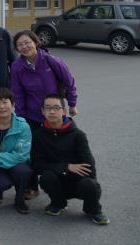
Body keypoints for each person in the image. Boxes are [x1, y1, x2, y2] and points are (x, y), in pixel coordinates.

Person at [32, 94, 109, 225]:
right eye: (48, 108)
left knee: (90, 184)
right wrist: (66, 167)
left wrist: (93, 188)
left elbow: (89, 166)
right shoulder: (38, 135)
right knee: (46, 178)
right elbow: (37, 165)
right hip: (57, 181)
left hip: (79, 182)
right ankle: (58, 203)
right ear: (42, 111)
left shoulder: (78, 135)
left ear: (64, 111)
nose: (52, 111)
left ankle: (93, 209)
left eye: (56, 108)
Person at [11, 30, 78, 130]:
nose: (24, 47)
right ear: (17, 48)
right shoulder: (16, 67)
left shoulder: (51, 60)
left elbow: (69, 81)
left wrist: (72, 104)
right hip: (32, 115)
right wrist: (20, 117)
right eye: (20, 45)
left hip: (54, 112)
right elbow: (18, 93)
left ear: (35, 42)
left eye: (27, 42)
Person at [0, 87, 32, 214]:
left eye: (5, 102)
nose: (1, 106)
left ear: (13, 105)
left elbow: (21, 156)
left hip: (16, 162)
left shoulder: (23, 126)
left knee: (23, 171)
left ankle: (20, 199)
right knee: (0, 184)